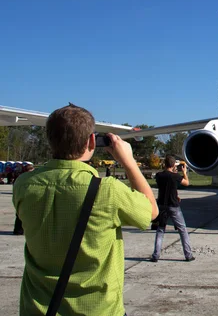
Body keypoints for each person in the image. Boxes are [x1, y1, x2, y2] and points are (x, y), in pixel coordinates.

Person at [12, 104, 158, 315]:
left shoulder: (24, 184)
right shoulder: (106, 190)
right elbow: (151, 212)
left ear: (49, 140)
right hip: (96, 309)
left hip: (38, 308)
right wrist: (128, 161)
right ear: (91, 141)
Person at [150, 156, 194, 262]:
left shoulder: (159, 175)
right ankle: (188, 255)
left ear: (164, 164)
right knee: (182, 230)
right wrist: (184, 172)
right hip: (173, 205)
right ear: (174, 165)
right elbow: (186, 183)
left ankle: (156, 255)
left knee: (160, 230)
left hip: (162, 205)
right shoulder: (175, 176)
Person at [13, 163, 34, 235]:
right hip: (24, 197)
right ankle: (18, 230)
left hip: (23, 197)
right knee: (20, 215)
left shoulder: (22, 177)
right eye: (31, 170)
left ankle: (20, 230)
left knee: (21, 215)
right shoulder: (25, 178)